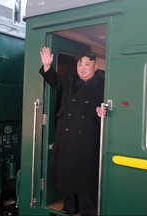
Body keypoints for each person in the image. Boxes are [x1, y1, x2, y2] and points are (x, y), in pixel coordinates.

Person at [39, 47, 104, 216]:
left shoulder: (104, 83)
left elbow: (111, 105)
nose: (82, 67)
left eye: (87, 64)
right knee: (67, 172)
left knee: (85, 175)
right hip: (67, 134)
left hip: (88, 136)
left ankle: (88, 210)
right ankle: (69, 207)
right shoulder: (70, 80)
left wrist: (103, 112)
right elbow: (56, 82)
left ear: (95, 67)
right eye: (80, 64)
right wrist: (47, 66)